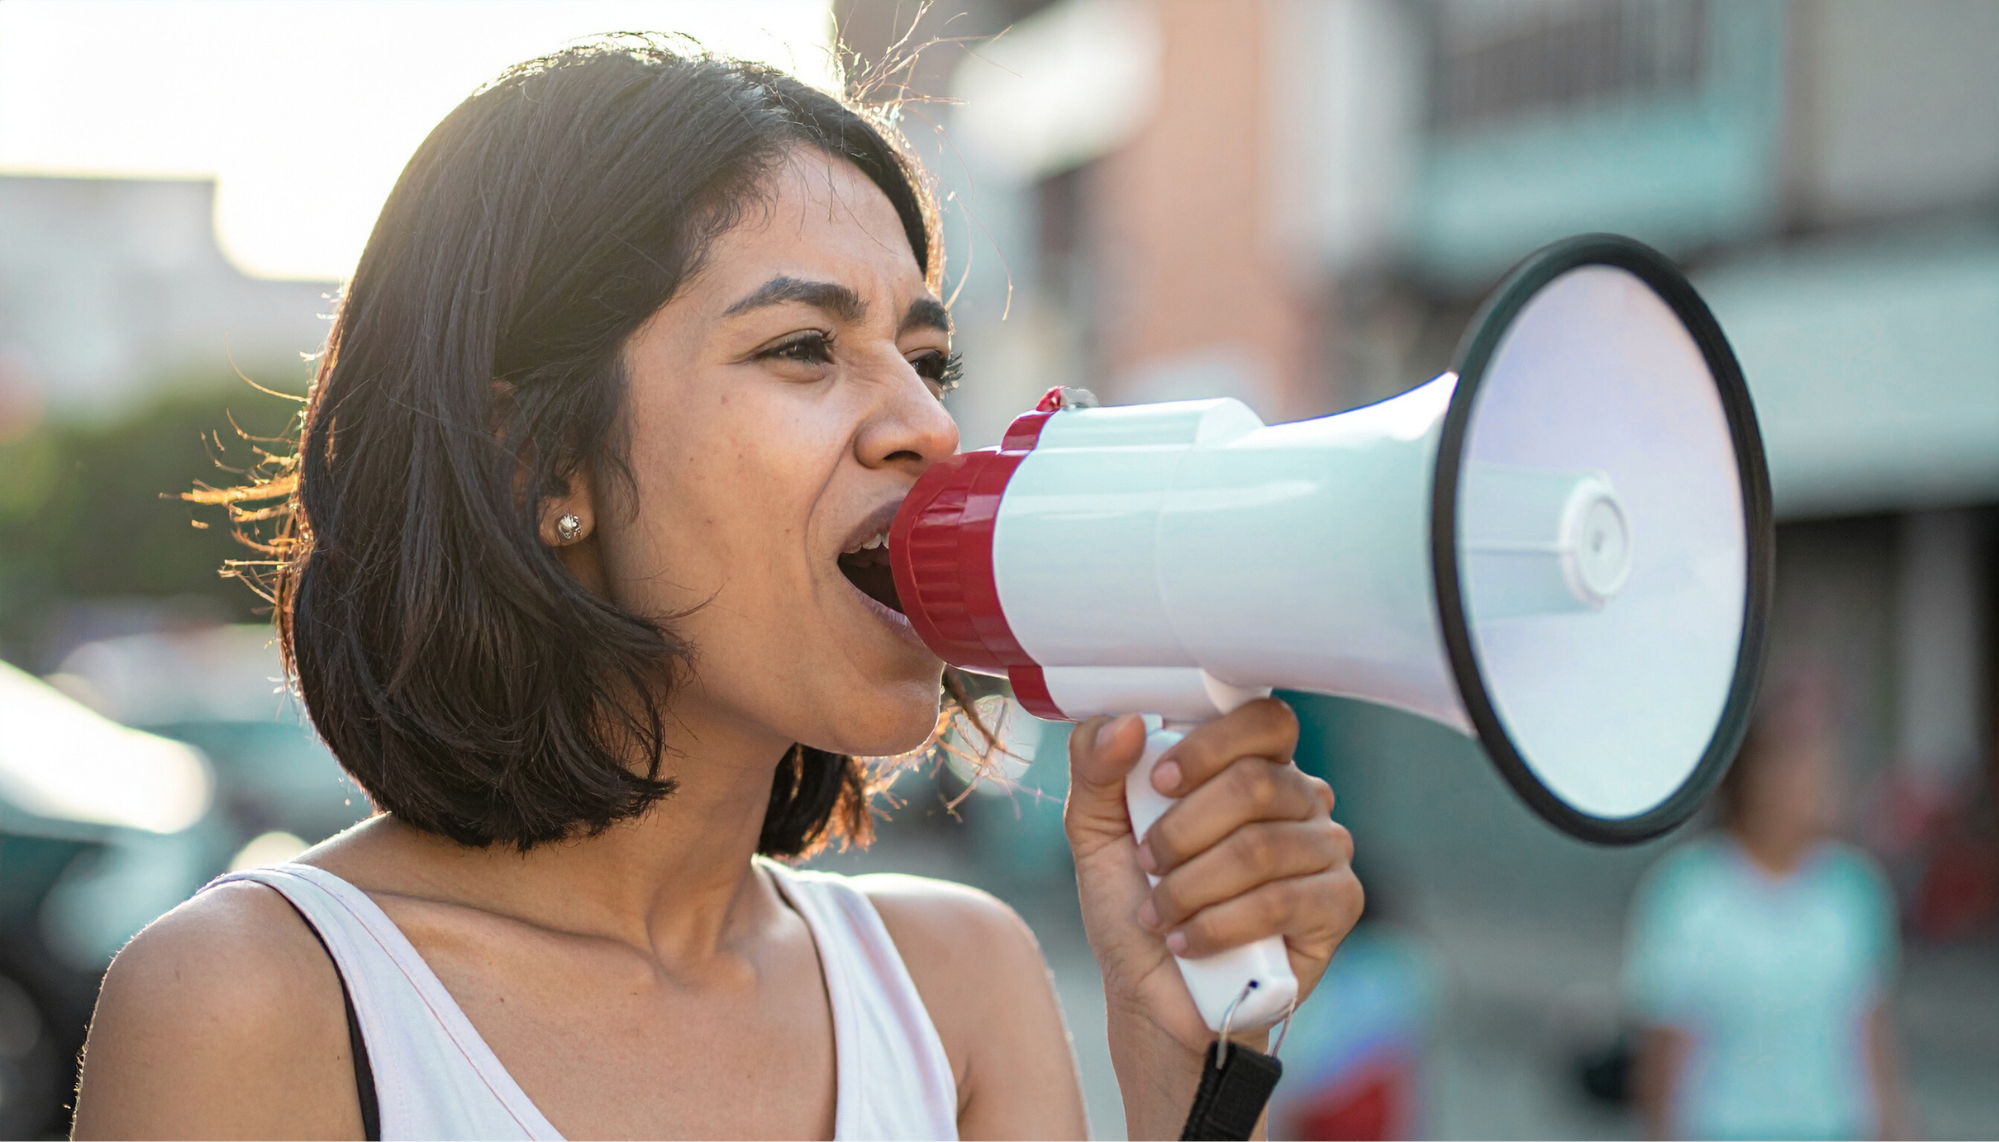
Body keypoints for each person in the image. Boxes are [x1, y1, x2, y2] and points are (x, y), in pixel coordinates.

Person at [69, 40, 1362, 1140]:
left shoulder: (960, 985)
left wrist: (1185, 1079)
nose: (928, 426)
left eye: (926, 356)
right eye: (804, 347)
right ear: (542, 466)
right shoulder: (251, 1003)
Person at [1625, 669, 1907, 1139]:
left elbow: (1872, 1043)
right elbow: (1663, 1061)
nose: (1825, 780)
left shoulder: (1854, 892)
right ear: (1757, 772)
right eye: (1806, 762)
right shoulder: (1691, 895)